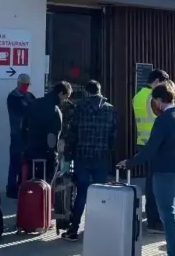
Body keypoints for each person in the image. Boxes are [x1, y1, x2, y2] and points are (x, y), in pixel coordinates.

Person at [118, 81, 175, 256]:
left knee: (167, 215)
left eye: (154, 101)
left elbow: (150, 150)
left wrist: (129, 163)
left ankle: (174, 253)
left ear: (159, 100)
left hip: (164, 172)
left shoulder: (163, 120)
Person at [61, 80, 118, 242]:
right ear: (99, 91)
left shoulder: (79, 108)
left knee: (82, 193)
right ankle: (98, 230)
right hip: (101, 158)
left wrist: (68, 155)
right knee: (100, 193)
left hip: (82, 157)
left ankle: (73, 230)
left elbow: (72, 133)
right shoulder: (110, 110)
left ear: (86, 91)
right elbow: (113, 136)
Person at [132, 69, 170, 233]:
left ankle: (152, 217)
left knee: (150, 180)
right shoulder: (153, 97)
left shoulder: (138, 96)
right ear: (156, 81)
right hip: (156, 144)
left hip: (143, 141)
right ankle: (154, 221)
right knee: (156, 182)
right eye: (163, 82)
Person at [23, 81, 71, 181]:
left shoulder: (34, 103)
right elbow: (53, 136)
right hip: (45, 154)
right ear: (61, 94)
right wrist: (53, 154)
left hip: (30, 151)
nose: (65, 100)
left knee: (29, 182)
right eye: (66, 97)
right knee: (45, 184)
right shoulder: (55, 111)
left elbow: (24, 126)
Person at [6, 74, 35, 199]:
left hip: (29, 135)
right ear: (18, 83)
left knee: (27, 163)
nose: (25, 87)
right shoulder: (12, 97)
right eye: (24, 84)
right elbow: (21, 112)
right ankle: (12, 189)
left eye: (27, 84)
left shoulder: (29, 96)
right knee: (15, 163)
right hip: (17, 134)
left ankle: (23, 187)